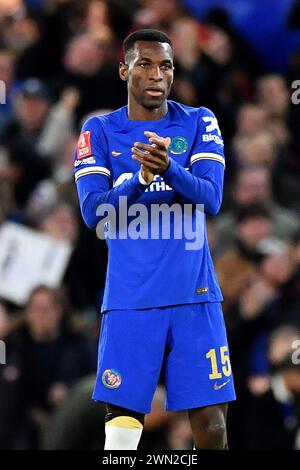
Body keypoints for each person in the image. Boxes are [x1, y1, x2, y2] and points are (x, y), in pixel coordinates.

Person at [74, 29, 236, 450]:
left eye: (165, 65)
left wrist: (169, 170)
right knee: (124, 431)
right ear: (124, 69)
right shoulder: (101, 131)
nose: (156, 74)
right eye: (145, 64)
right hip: (131, 297)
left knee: (214, 427)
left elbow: (212, 198)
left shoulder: (199, 120)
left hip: (194, 295)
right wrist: (141, 179)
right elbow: (95, 213)